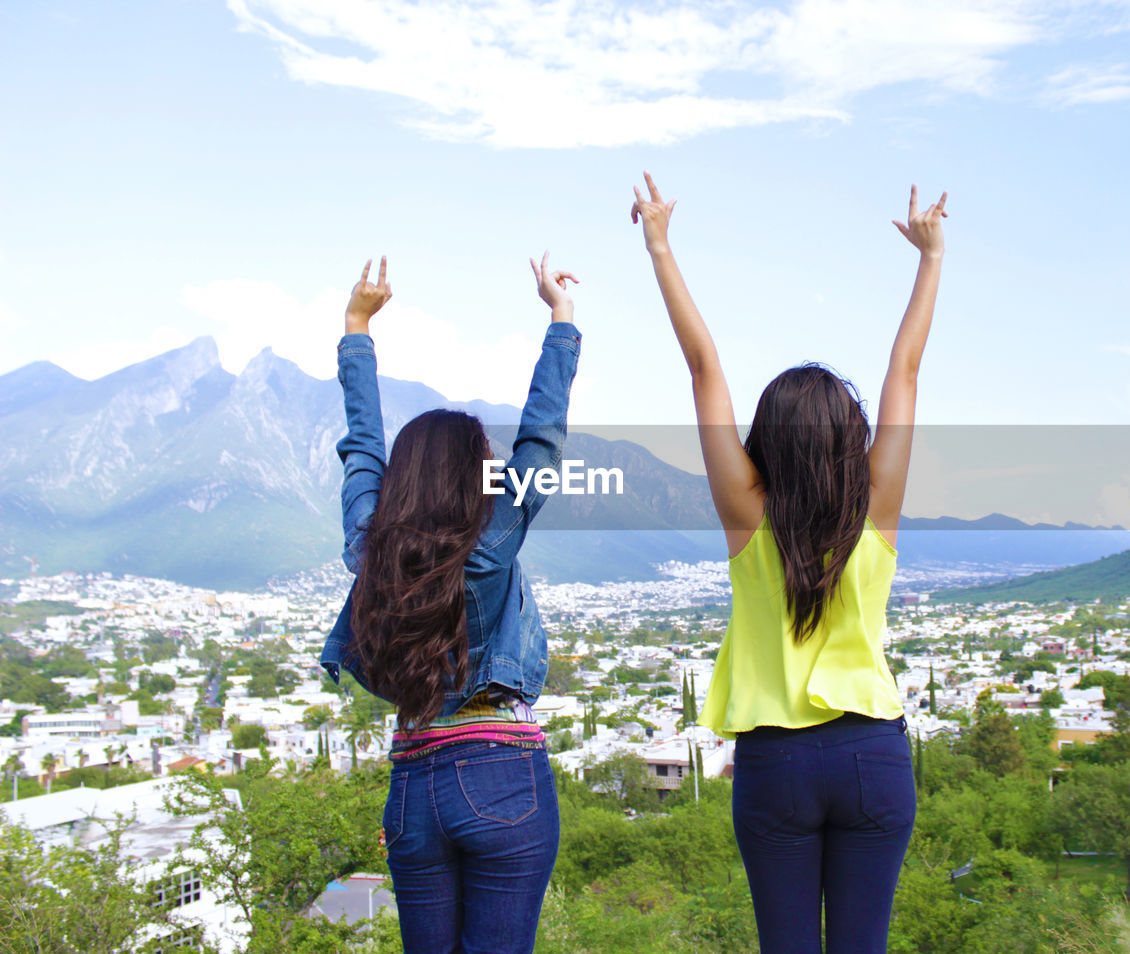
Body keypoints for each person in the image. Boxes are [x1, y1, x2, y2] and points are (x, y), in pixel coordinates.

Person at [630, 173, 946, 954]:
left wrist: (661, 245)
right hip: (873, 750)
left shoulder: (747, 513)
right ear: (850, 438)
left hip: (776, 762)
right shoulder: (877, 502)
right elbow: (905, 373)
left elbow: (704, 369)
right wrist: (931, 258)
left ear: (766, 440)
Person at [319, 253, 582, 954]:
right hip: (501, 771)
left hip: (412, 787)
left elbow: (362, 454)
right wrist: (561, 320)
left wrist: (356, 327)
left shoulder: (370, 546)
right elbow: (540, 438)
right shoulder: (492, 540)